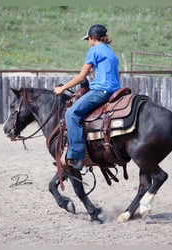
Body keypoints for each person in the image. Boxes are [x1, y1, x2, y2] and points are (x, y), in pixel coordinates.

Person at [53, 24, 121, 170]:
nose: (88, 42)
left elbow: (82, 76)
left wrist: (62, 88)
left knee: (71, 113)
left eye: (88, 39)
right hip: (114, 90)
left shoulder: (94, 50)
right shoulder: (110, 52)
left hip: (101, 91)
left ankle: (77, 155)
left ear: (93, 38)